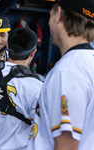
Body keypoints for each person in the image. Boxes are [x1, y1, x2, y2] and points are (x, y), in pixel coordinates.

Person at [28, 0, 94, 150]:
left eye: (50, 13)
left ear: (58, 14)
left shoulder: (68, 71)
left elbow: (67, 147)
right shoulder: (87, 62)